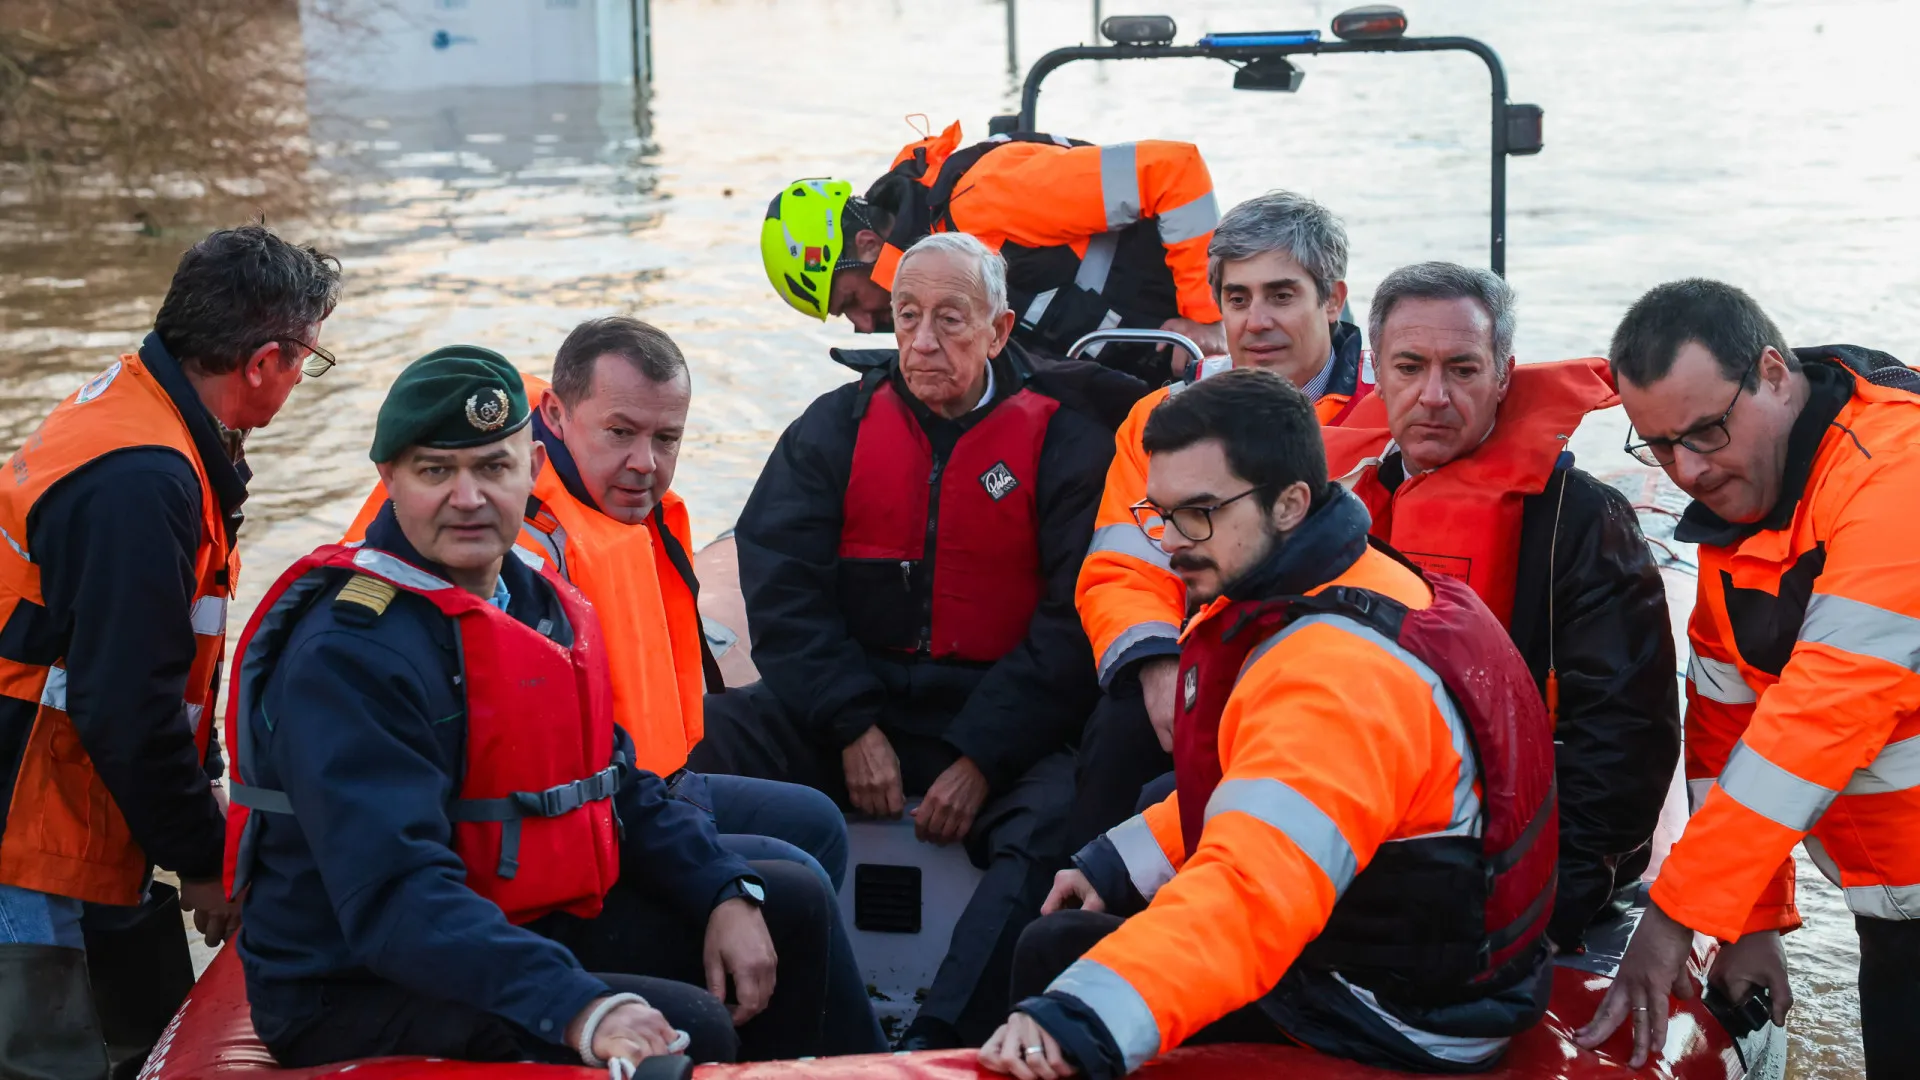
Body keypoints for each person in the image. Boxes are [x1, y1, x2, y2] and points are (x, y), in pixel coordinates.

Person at [225, 346, 875, 1069]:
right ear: (390, 480)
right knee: (694, 1024)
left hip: (498, 918)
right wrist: (579, 1007)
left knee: (784, 904)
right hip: (355, 980)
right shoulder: (350, 654)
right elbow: (396, 900)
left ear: (533, 468)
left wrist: (723, 885)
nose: (468, 498)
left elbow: (616, 782)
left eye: (492, 468)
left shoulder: (531, 600)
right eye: (436, 471)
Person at [979, 368, 1557, 1079]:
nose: (1169, 545)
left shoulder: (1333, 670)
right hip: (1437, 967)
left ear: (1289, 504)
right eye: (1158, 516)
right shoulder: (1363, 582)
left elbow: (1254, 894)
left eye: (1199, 514)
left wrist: (1078, 1018)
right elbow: (1272, 789)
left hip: (1394, 1014)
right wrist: (1122, 862)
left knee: (1053, 955)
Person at [691, 232, 1114, 1050]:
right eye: (907, 316)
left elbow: (1075, 618)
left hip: (1007, 722)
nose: (922, 342)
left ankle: (945, 1040)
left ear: (998, 330)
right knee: (705, 743)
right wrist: (850, 724)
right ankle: (747, 1003)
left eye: (951, 320)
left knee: (1063, 816)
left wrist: (982, 755)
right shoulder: (834, 429)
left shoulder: (1066, 441)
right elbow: (780, 582)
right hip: (856, 704)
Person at [342, 319, 854, 900]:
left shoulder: (611, 498)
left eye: (666, 439)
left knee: (816, 826)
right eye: (620, 433)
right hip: (574, 820)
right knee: (795, 887)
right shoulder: (514, 555)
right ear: (555, 418)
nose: (645, 463)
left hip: (639, 784)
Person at [0, 224, 339, 1080]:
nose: (301, 382)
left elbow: (163, 657)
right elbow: (124, 705)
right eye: (307, 363)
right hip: (22, 814)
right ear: (263, 362)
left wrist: (208, 785)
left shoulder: (139, 408)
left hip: (57, 780)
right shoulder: (144, 480)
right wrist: (203, 856)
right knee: (45, 1055)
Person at [1576, 280, 1920, 1075]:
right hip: (1894, 912)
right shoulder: (1744, 507)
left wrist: (1672, 918)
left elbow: (1821, 713)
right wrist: (1750, 921)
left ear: (1772, 372)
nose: (1688, 470)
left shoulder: (1895, 474)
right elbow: (1724, 725)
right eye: (1659, 446)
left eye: (1706, 431)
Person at [1319, 262, 1679, 954]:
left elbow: (1623, 739)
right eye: (1409, 366)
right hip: (1361, 830)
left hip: (1519, 857)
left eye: (1462, 370)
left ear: (1504, 376)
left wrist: (1546, 907)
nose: (1433, 395)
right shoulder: (1334, 510)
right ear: (1375, 369)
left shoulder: (1580, 524)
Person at [1067, 191, 1373, 852]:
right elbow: (1124, 565)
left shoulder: (1399, 412)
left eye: (1281, 295)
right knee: (1117, 735)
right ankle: (1086, 914)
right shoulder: (1160, 419)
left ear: (1333, 299)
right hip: (1195, 672)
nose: (1256, 321)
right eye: (1237, 299)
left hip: (1342, 689)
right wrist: (1154, 662)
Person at [761, 120, 1225, 384]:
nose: (864, 325)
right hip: (1132, 384)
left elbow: (1174, 172)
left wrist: (1204, 321)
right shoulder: (933, 281)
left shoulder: (986, 193)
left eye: (848, 303)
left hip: (1192, 361)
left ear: (866, 245)